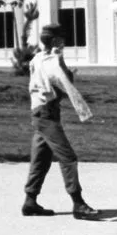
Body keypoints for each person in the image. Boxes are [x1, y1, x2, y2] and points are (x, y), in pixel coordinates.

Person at [22, 23, 100, 219]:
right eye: (61, 39)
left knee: (40, 159)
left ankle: (30, 201)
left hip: (38, 114)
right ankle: (78, 203)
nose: (64, 42)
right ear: (55, 41)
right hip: (47, 115)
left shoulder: (37, 58)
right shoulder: (53, 60)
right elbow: (66, 82)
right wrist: (61, 60)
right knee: (68, 157)